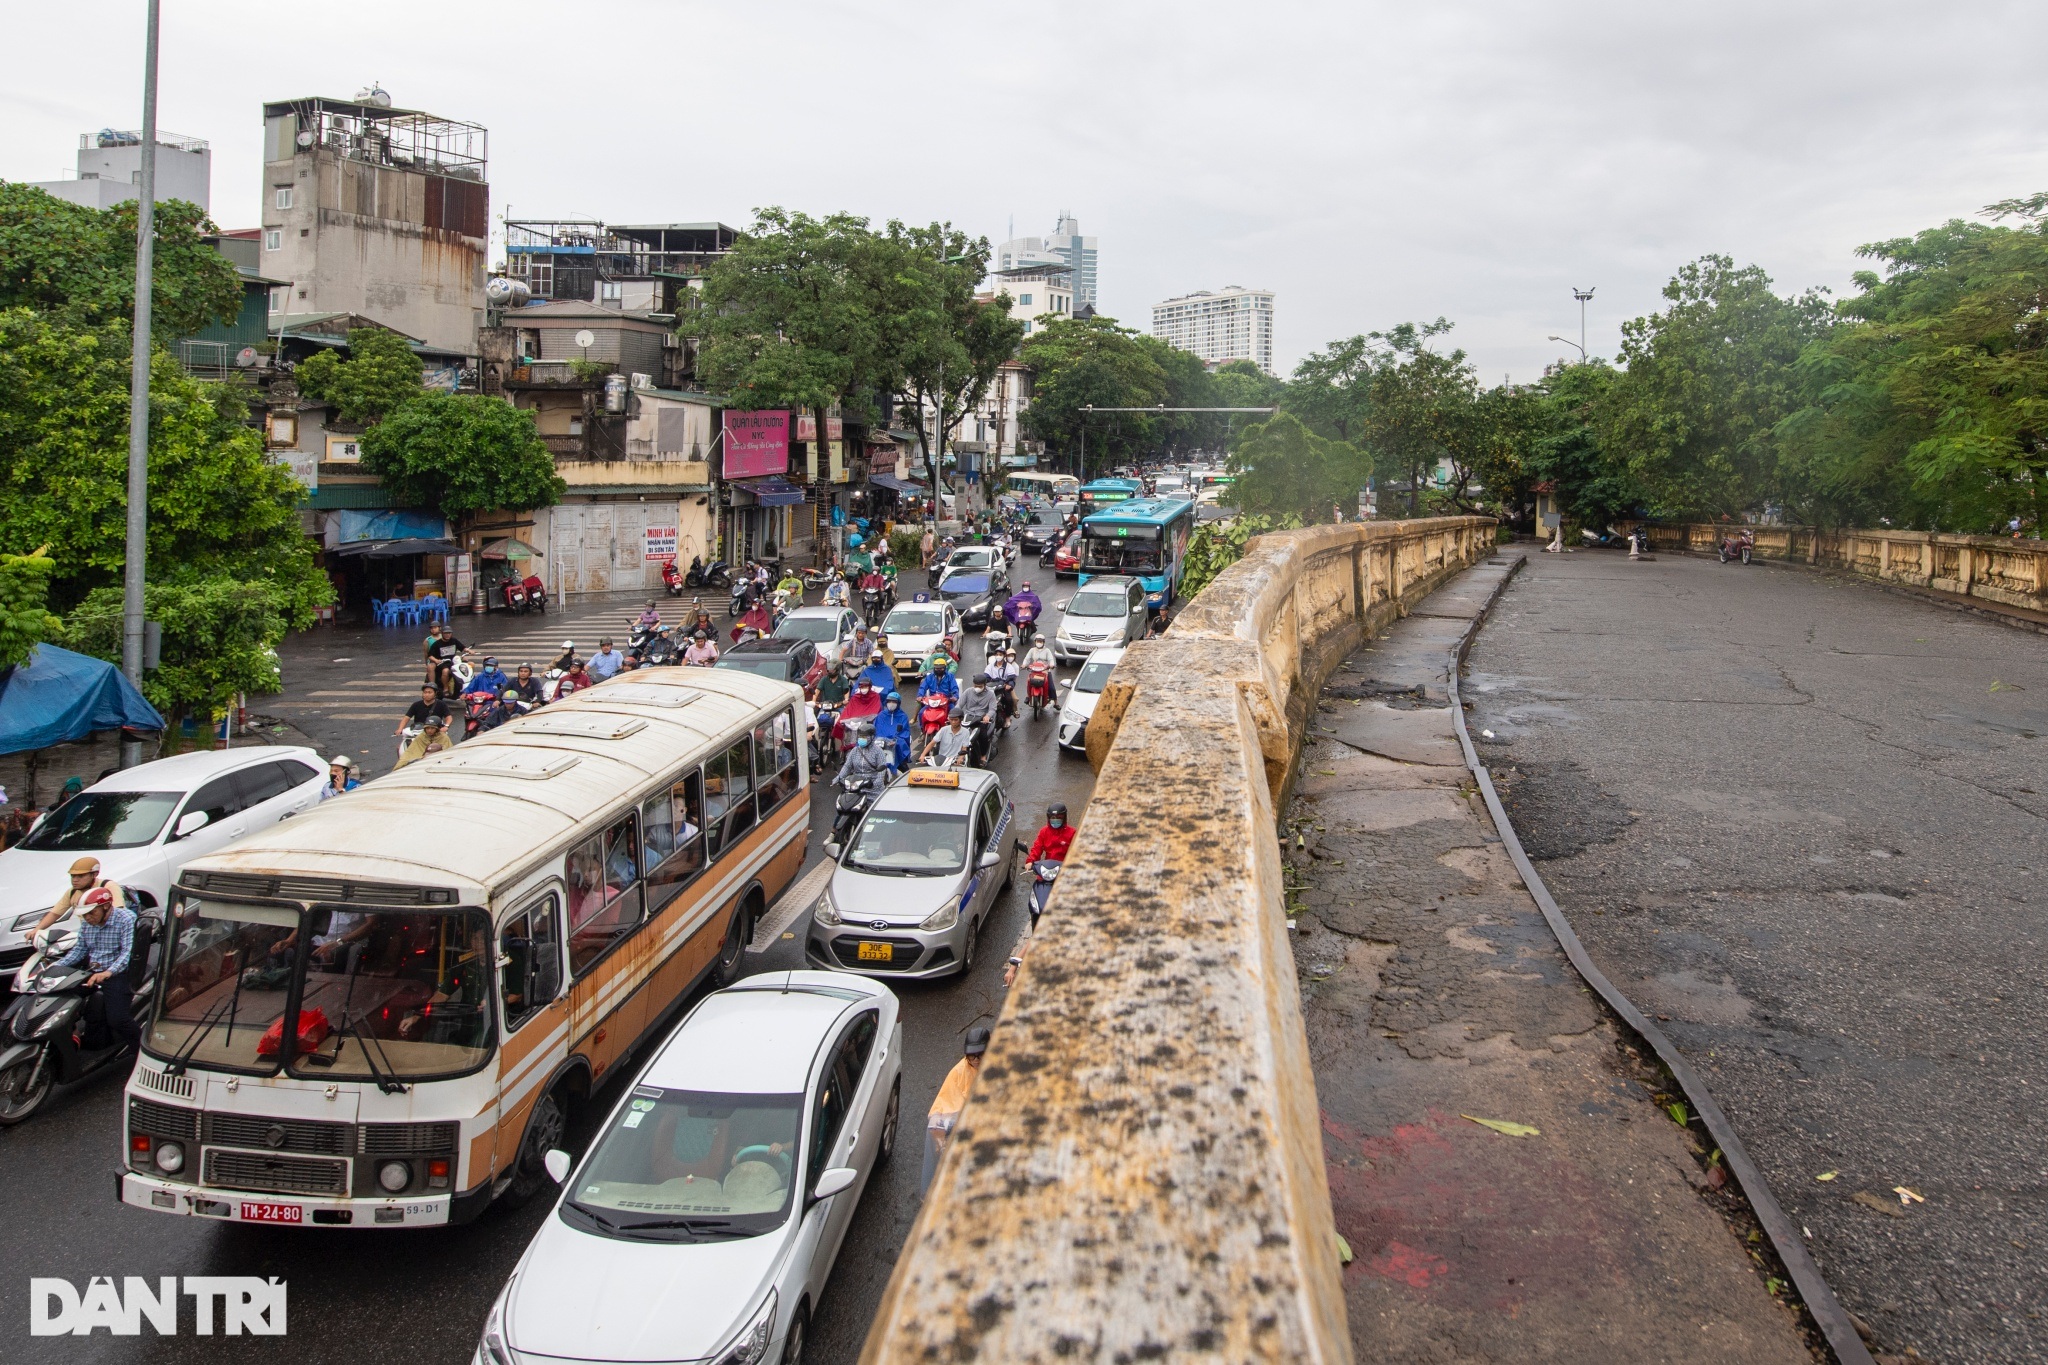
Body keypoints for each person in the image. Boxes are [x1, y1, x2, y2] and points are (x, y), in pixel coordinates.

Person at [54, 886, 140, 1053]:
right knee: (59, 1001)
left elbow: (127, 952)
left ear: (106, 906)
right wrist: (56, 967)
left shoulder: (126, 919)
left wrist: (108, 972)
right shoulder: (88, 923)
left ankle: (140, 1049)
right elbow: (80, 949)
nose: (87, 918)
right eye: (84, 915)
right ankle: (76, 1038)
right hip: (92, 972)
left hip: (118, 974)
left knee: (118, 1019)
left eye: (91, 913)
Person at [923, 1027, 989, 1193]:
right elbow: (940, 1109)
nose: (975, 1060)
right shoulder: (959, 1073)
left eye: (980, 1054)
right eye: (971, 1056)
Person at [24, 856, 126, 948]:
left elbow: (118, 913)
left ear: (94, 874)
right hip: (87, 935)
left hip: (111, 935)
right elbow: (55, 913)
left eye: (80, 876)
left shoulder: (108, 886)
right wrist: (36, 930)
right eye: (73, 876)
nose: (75, 880)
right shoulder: (72, 892)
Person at [958, 673, 997, 763]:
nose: (977, 688)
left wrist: (987, 716)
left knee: (983, 736)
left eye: (980, 686)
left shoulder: (990, 694)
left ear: (985, 685)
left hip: (981, 719)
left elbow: (992, 708)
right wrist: (953, 714)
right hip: (967, 717)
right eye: (976, 686)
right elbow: (959, 705)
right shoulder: (968, 692)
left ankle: (983, 755)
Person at [873, 689, 913, 771]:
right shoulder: (881, 715)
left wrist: (895, 740)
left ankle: (902, 766)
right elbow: (877, 729)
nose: (891, 704)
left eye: (894, 702)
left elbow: (904, 732)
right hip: (881, 741)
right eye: (889, 701)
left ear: (898, 703)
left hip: (895, 741)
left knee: (900, 745)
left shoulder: (902, 716)